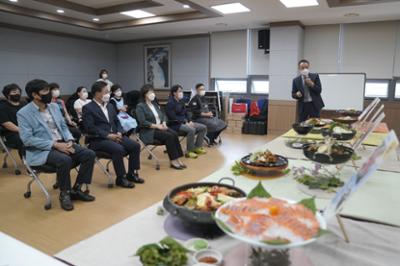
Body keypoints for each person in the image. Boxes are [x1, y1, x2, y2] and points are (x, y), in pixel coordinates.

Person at [17, 79, 96, 211]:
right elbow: (27, 139)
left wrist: (70, 140)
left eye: (50, 90)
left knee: (89, 154)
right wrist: (54, 145)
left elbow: (63, 127)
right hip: (41, 149)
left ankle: (76, 189)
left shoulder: (54, 106)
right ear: (35, 95)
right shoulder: (23, 113)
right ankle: (65, 194)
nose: (50, 93)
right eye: (45, 91)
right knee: (64, 159)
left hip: (62, 143)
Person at [83, 81, 143, 188]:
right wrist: (107, 135)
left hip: (116, 135)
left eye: (109, 92)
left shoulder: (110, 106)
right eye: (106, 92)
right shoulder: (88, 108)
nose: (108, 94)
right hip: (98, 140)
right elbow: (90, 128)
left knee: (135, 146)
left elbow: (117, 121)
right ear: (97, 93)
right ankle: (121, 178)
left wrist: (120, 131)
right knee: (118, 149)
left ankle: (132, 174)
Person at [136, 84, 185, 170]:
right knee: (169, 136)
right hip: (149, 130)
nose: (153, 94)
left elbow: (163, 115)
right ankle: (173, 160)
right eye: (150, 92)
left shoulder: (154, 105)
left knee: (174, 133)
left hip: (161, 127)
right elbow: (142, 122)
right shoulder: (140, 106)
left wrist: (164, 123)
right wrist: (157, 126)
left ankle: (178, 158)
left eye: (153, 92)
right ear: (145, 94)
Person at [166, 85, 207, 159]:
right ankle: (190, 151)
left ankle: (197, 147)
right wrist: (185, 122)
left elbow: (186, 113)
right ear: (174, 93)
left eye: (182, 91)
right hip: (175, 124)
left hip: (185, 122)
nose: (181, 93)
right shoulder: (170, 103)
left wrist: (190, 120)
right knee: (192, 130)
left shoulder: (181, 101)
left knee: (203, 128)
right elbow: (172, 117)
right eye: (179, 91)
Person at [0, 84, 26, 158]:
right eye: (14, 92)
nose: (17, 94)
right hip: (11, 134)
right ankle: (29, 164)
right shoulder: (2, 107)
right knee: (24, 139)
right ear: (8, 94)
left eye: (18, 92)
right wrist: (24, 130)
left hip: (27, 129)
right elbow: (7, 124)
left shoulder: (24, 103)